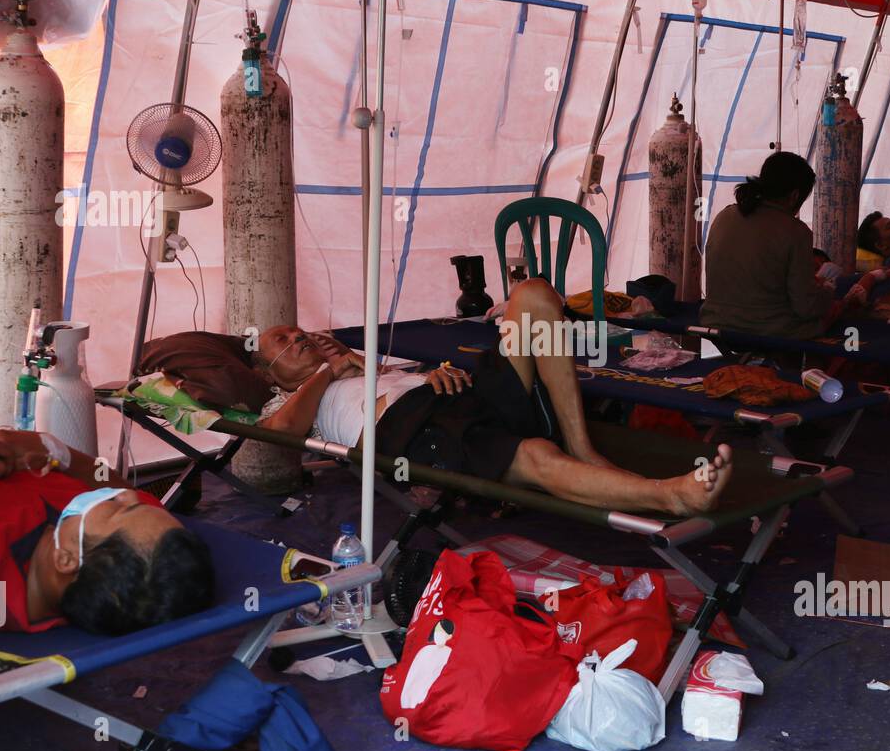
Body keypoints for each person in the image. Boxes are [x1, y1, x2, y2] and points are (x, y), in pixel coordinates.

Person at [254, 278, 733, 517]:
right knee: (535, 456)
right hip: (414, 429)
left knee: (534, 295)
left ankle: (583, 445)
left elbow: (413, 377)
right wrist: (325, 371)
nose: (300, 338)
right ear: (268, 372)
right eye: (284, 341)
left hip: (456, 393)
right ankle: (670, 496)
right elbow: (280, 435)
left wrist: (430, 372)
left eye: (301, 332)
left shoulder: (364, 364)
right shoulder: (288, 400)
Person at [0, 427, 214, 633]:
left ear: (67, 560)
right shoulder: (135, 547)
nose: (126, 494)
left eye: (121, 508)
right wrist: (54, 451)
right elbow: (114, 486)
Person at [701, 151, 834, 338]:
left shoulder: (724, 216)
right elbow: (806, 306)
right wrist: (829, 291)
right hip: (765, 330)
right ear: (795, 196)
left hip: (713, 322)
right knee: (831, 316)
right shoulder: (796, 232)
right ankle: (801, 367)